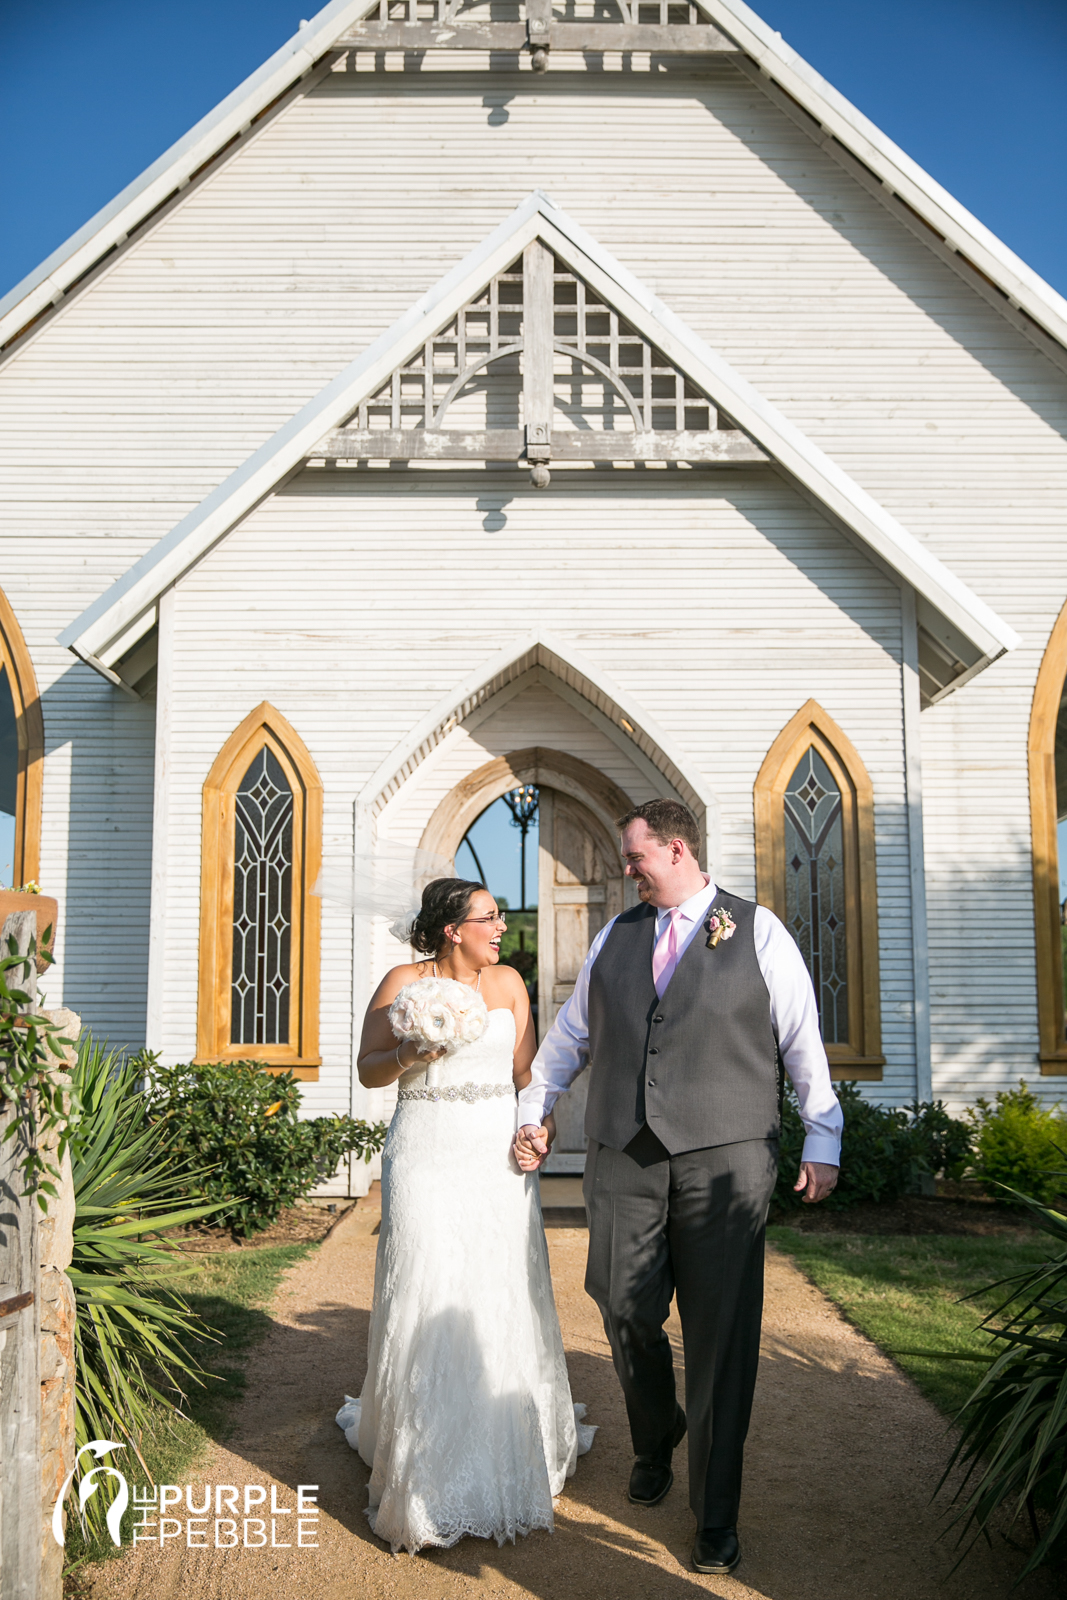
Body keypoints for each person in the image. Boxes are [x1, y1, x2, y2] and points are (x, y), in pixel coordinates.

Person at [514, 799, 842, 1578]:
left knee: (720, 1335)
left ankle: (715, 1519)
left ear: (677, 849)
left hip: (726, 1157)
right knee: (619, 1302)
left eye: (634, 858)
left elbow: (800, 1038)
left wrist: (821, 1137)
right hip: (623, 1151)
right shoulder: (615, 936)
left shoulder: (757, 929)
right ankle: (657, 1429)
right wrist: (536, 1106)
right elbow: (570, 1035)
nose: (625, 871)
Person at [337, 877, 594, 1554]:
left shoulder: (509, 983)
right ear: (453, 928)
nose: (501, 926)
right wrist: (407, 1053)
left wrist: (537, 1131)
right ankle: (420, 1463)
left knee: (497, 1288)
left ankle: (504, 1440)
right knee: (424, 1284)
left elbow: (525, 1080)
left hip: (493, 1159)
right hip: (423, 1149)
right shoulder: (402, 979)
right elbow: (366, 1070)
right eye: (489, 917)